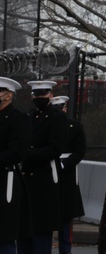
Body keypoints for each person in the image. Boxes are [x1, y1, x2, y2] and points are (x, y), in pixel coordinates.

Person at [20, 80, 67, 254]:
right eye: (37, 95)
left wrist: (27, 154)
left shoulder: (56, 117)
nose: (40, 97)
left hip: (44, 178)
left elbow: (55, 148)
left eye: (43, 94)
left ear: (50, 95)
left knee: (41, 233)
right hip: (27, 179)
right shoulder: (29, 117)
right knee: (25, 233)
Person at [50, 97, 85, 254]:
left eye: (60, 108)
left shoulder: (75, 127)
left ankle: (66, 250)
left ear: (64, 109)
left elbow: (80, 150)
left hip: (67, 172)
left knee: (66, 217)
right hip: (49, 169)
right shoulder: (47, 125)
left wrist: (66, 164)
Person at [0, 77, 30, 254]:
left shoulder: (18, 119)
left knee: (4, 235)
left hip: (5, 181)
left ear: (8, 95)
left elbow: (17, 152)